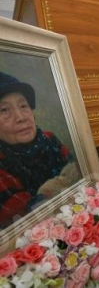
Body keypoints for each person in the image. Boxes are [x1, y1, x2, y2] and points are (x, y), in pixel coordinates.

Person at [0, 72, 79, 229]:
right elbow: (30, 215)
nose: (21, 117)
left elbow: (78, 173)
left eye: (24, 106)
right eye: (4, 110)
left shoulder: (49, 139)